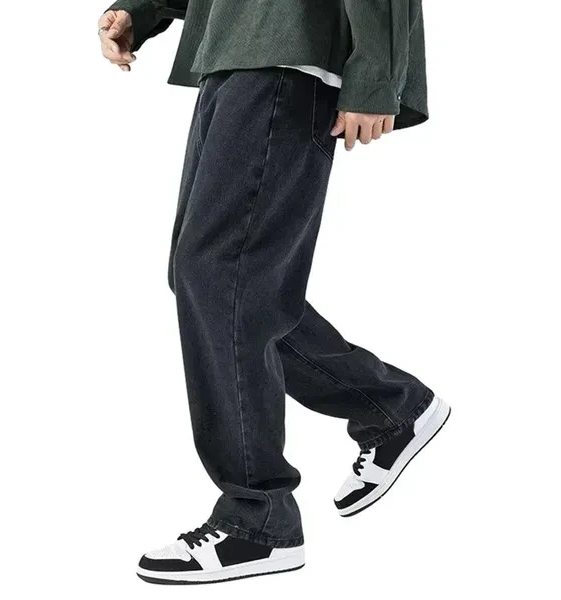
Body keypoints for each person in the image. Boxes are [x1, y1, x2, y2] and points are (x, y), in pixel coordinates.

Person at [98, 0, 450, 585]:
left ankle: (258, 520)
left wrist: (375, 72)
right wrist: (143, 9)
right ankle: (388, 406)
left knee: (221, 277)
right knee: (213, 281)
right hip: (235, 48)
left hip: (288, 52)